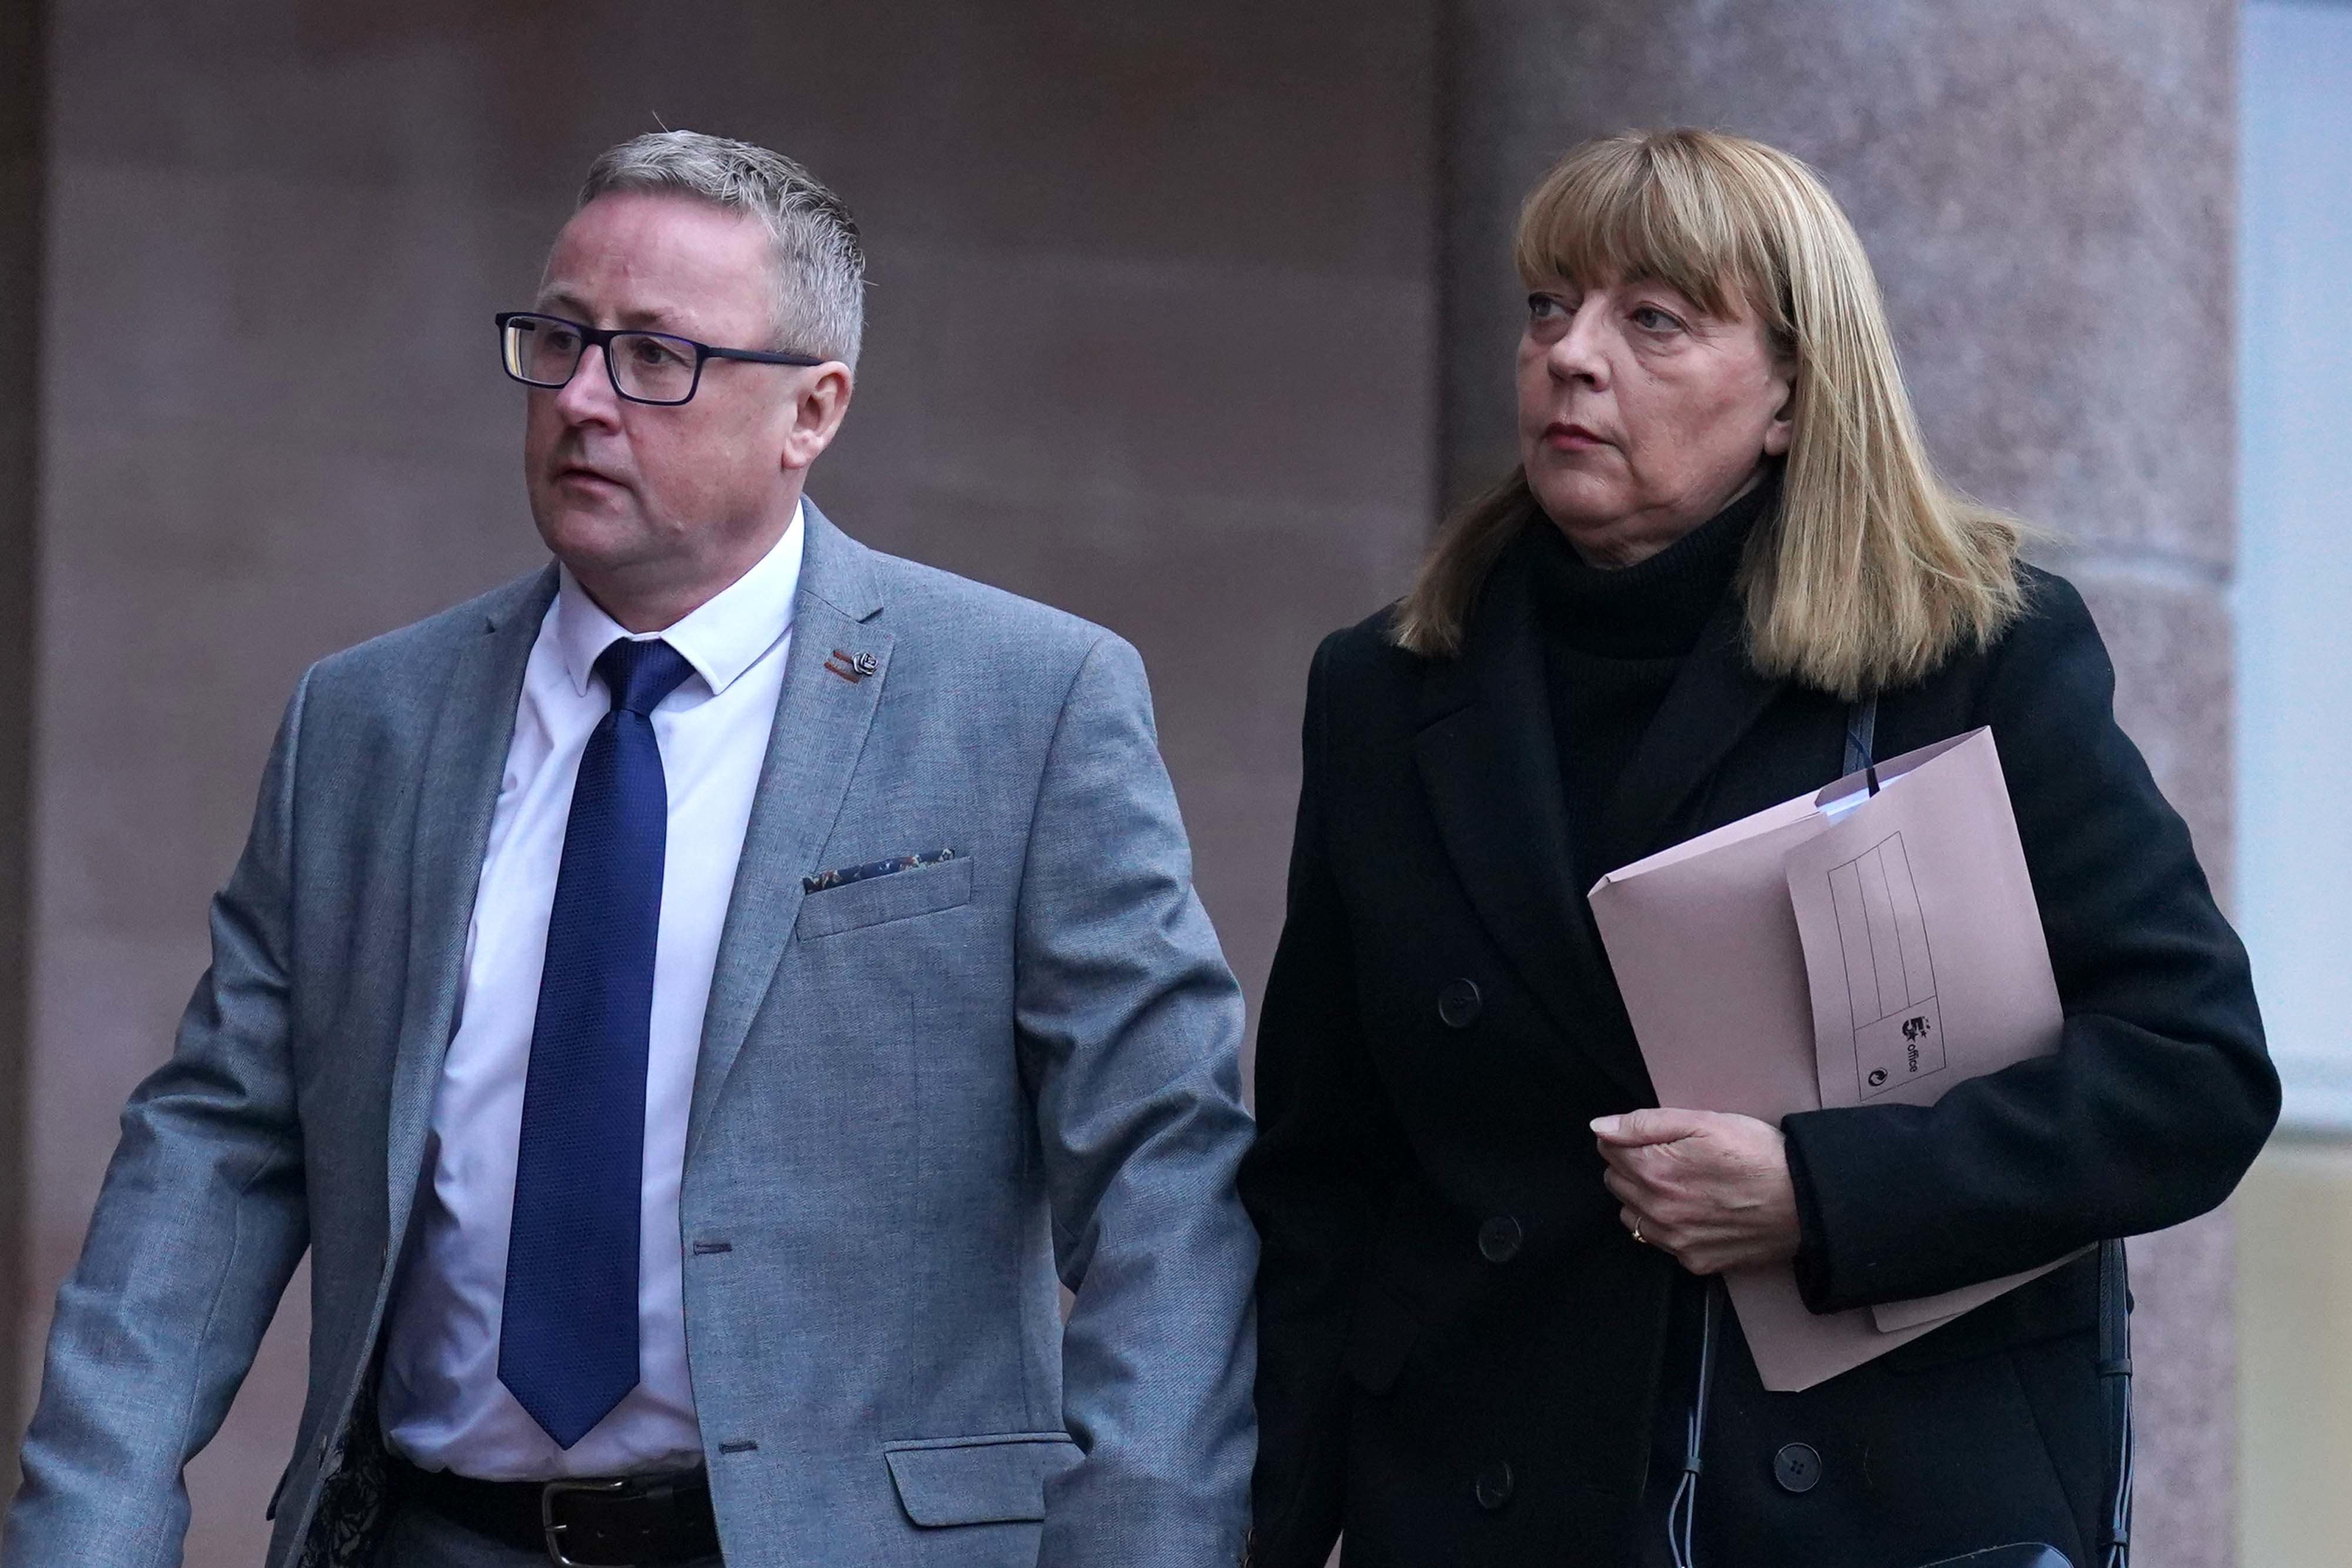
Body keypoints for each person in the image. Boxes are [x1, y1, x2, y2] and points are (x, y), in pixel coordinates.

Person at [4, 131, 1257, 1568]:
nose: (584, 399)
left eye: (655, 356)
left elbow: (1164, 1170)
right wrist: (85, 1531)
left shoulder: (1023, 703)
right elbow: (213, 1147)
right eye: (558, 340)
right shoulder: (367, 723)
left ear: (811, 410)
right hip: (429, 1534)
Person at [1240, 128, 2276, 1567]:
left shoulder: (1971, 650)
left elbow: (2190, 1075)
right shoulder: (1388, 687)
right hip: (1487, 1498)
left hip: (1871, 1508)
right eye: (1548, 307)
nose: (1569, 358)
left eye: (1650, 319)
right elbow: (1321, 1179)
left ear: (1790, 392)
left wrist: (1820, 1190)